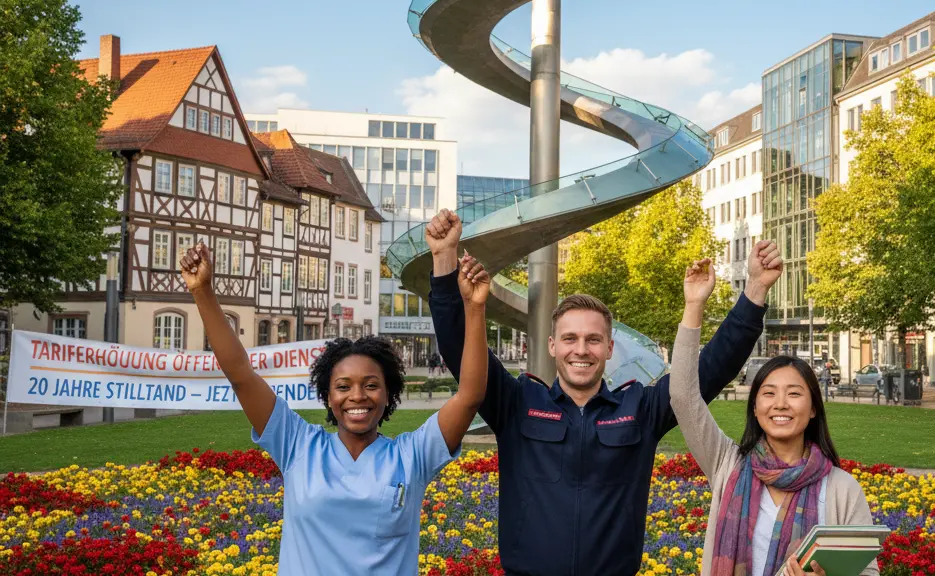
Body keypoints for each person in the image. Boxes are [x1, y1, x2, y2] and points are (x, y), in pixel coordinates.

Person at [424, 208, 783, 576]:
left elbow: (708, 372)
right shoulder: (516, 403)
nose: (581, 350)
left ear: (610, 348)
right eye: (570, 339)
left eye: (593, 340)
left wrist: (754, 292)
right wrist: (443, 258)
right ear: (552, 346)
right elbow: (459, 350)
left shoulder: (640, 408)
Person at [180, 243, 492, 575]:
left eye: (371, 385)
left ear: (388, 394)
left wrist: (474, 307)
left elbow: (470, 395)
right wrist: (203, 291)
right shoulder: (297, 446)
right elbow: (240, 375)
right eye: (343, 386)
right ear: (328, 396)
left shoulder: (412, 456)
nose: (357, 396)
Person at [670, 259, 878, 576]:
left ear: (812, 409)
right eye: (768, 393)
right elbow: (684, 397)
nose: (780, 404)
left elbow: (867, 572)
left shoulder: (841, 489)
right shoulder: (727, 464)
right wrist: (694, 305)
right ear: (755, 407)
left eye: (794, 394)